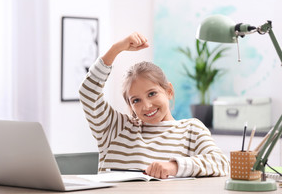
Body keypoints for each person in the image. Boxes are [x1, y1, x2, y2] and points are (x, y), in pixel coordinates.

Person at [79, 32, 230, 179]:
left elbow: (222, 163)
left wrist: (174, 167)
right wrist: (116, 48)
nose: (147, 106)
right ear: (130, 104)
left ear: (169, 91)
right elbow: (88, 93)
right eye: (136, 100)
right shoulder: (115, 128)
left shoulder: (191, 130)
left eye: (152, 94)